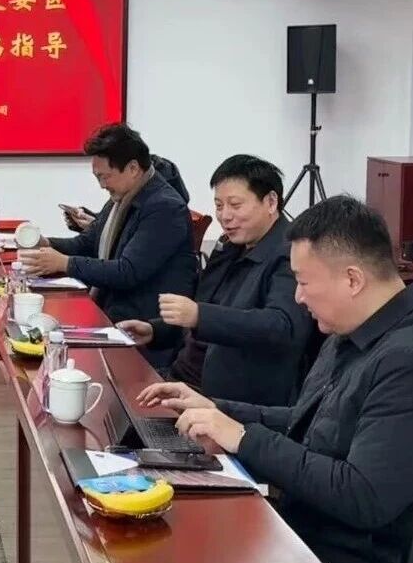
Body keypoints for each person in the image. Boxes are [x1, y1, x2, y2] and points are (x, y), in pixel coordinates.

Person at [135, 196, 413, 563]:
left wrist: (243, 438)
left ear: (353, 279)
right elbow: (310, 423)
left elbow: (364, 497)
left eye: (304, 281)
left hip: (345, 550)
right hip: (306, 524)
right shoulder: (355, 327)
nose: (298, 297)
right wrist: (216, 410)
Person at [117, 155, 315, 406]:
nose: (225, 216)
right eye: (219, 206)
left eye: (235, 205)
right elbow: (205, 311)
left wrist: (199, 315)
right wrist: (155, 330)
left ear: (271, 201)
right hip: (181, 380)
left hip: (224, 401)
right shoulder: (231, 247)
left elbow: (281, 326)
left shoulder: (290, 256)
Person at [20, 124, 196, 367]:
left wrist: (65, 263)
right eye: (97, 177)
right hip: (113, 311)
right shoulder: (122, 198)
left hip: (142, 327)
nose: (102, 185)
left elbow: (128, 271)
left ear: (133, 168)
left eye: (105, 176)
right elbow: (88, 242)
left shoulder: (164, 208)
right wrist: (46, 243)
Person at [62, 153, 190, 232]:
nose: (103, 185)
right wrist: (88, 220)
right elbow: (107, 220)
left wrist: (94, 228)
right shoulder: (125, 191)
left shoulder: (162, 206)